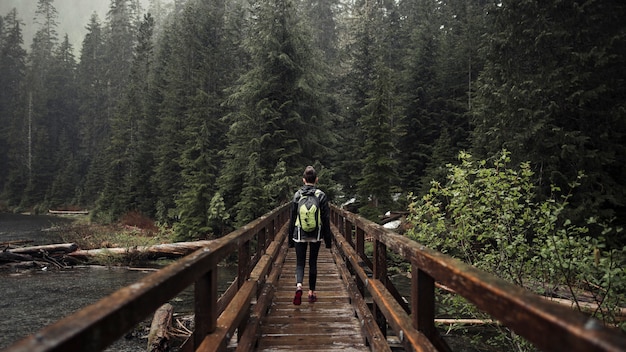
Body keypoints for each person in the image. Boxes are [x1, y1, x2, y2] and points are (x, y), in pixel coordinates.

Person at [288, 165, 331, 305]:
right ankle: (312, 293)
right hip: (316, 234)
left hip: (299, 233)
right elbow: (326, 219)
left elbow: (292, 218)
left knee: (300, 263)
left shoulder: (297, 195)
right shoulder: (321, 195)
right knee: (313, 262)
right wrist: (328, 240)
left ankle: (299, 286)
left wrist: (290, 240)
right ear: (316, 179)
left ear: (303, 180)